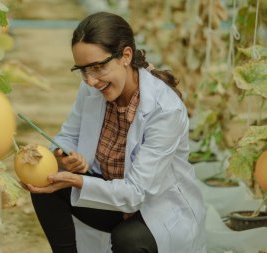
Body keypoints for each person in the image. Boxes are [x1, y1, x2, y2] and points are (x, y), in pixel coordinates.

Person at [22, 12, 207, 253]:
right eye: (82, 70)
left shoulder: (165, 110)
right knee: (46, 185)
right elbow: (68, 136)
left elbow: (136, 193)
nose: (90, 80)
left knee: (128, 239)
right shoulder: (91, 89)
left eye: (98, 67)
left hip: (153, 207)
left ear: (126, 56)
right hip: (111, 196)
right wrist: (62, 154)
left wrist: (78, 180)